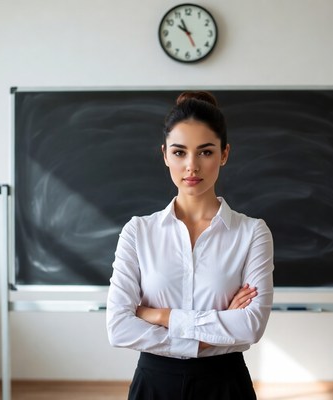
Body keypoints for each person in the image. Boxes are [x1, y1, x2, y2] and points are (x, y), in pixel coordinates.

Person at [106, 91, 274, 400]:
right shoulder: (138, 232)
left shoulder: (252, 233)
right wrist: (213, 332)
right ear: (165, 155)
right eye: (180, 152)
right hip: (153, 384)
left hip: (226, 384)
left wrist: (158, 315)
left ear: (224, 154)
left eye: (205, 152)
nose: (191, 166)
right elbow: (118, 326)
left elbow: (250, 326)